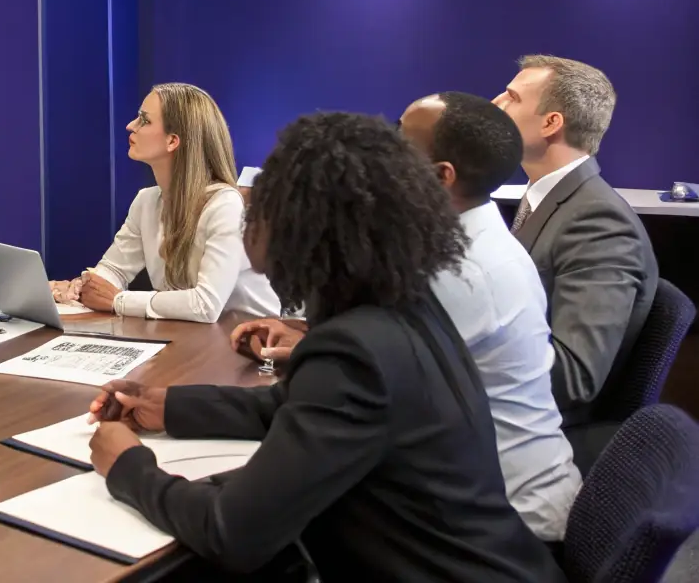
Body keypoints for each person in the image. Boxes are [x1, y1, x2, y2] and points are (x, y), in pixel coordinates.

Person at [86, 113, 565, 582]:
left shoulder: (356, 350)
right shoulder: (403, 306)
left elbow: (232, 533)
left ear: (303, 226)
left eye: (259, 211)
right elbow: (290, 407)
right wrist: (164, 406)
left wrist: (129, 466)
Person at [234, 93, 583, 542]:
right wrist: (301, 334)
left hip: (497, 524)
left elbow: (367, 368)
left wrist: (307, 348)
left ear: (439, 178)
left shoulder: (462, 274)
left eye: (399, 143)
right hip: (474, 495)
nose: (381, 153)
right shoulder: (461, 246)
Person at [494, 55, 658, 436]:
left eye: (511, 97)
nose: (495, 104)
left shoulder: (598, 221)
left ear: (551, 123)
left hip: (534, 432)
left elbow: (573, 378)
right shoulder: (544, 198)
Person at [49, 84, 278, 323]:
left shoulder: (224, 205)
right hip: (191, 337)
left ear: (172, 141)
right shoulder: (146, 201)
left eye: (144, 120)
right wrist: (81, 288)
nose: (130, 126)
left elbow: (206, 305)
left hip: (249, 345)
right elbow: (114, 270)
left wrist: (119, 300)